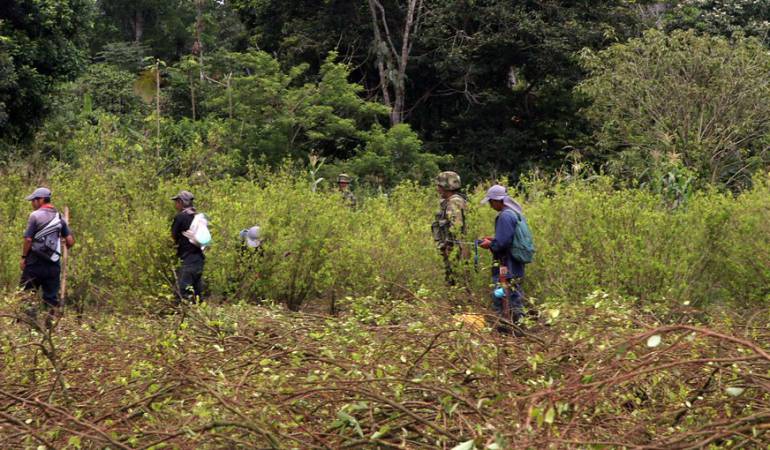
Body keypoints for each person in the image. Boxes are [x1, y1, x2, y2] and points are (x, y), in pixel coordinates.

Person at [20, 187, 75, 319]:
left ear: (41, 200)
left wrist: (23, 258)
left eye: (34, 200)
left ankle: (31, 326)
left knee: (27, 295)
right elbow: (70, 241)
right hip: (53, 265)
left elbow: (28, 239)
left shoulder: (35, 216)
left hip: (34, 263)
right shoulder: (59, 217)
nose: (32, 203)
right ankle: (49, 327)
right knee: (50, 298)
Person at [479, 184, 525, 325]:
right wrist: (494, 240)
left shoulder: (504, 216)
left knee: (504, 293)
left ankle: (508, 325)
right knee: (514, 291)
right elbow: (507, 239)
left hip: (506, 263)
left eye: (491, 202)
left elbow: (501, 245)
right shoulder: (514, 213)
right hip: (515, 262)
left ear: (497, 201)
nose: (491, 206)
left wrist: (489, 244)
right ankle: (518, 323)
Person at [431, 171, 468, 286]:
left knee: (456, 281)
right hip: (455, 248)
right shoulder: (452, 201)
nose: (438, 188)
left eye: (439, 185)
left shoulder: (454, 202)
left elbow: (456, 228)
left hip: (456, 249)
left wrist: (449, 247)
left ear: (445, 186)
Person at [170, 190, 205, 302]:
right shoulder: (198, 217)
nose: (175, 205)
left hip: (188, 259)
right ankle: (200, 316)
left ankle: (181, 315)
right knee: (197, 292)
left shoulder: (180, 217)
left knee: (182, 292)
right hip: (199, 258)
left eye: (176, 202)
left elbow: (173, 237)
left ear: (181, 202)